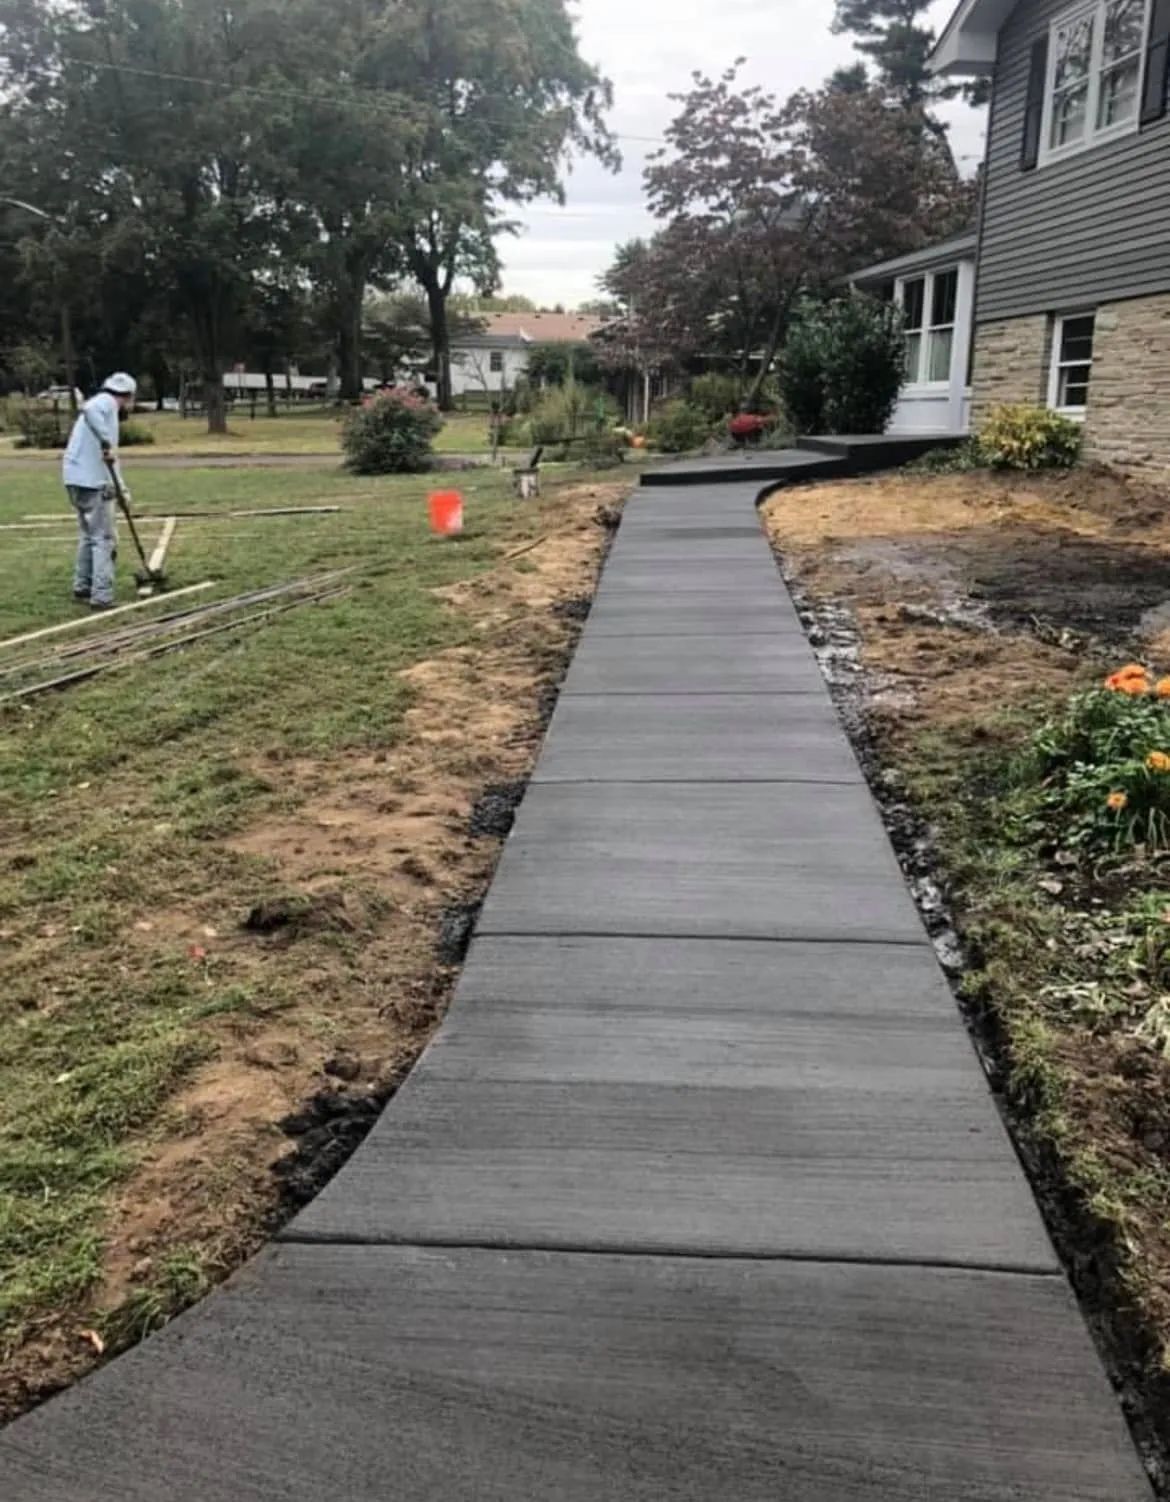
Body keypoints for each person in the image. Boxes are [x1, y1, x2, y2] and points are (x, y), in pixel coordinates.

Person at [61, 372, 137, 610]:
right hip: (91, 482)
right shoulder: (105, 404)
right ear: (127, 397)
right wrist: (105, 440)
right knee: (104, 539)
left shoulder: (107, 412)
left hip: (75, 478)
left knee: (89, 535)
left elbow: (112, 460)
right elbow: (89, 409)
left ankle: (82, 586)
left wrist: (122, 490)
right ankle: (102, 596)